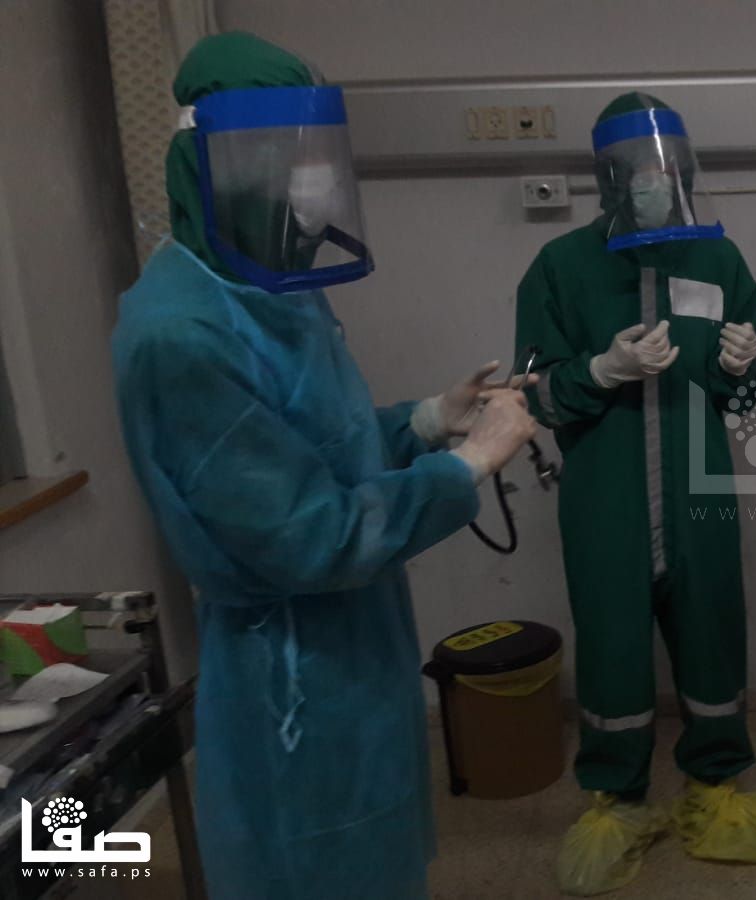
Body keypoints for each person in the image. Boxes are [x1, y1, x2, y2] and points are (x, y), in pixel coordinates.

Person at [111, 33, 538, 900]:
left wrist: (426, 421)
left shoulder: (263, 288)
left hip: (349, 645)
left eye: (316, 154)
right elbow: (311, 536)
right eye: (286, 154)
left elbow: (313, 451)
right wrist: (468, 466)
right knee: (315, 867)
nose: (311, 181)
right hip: (292, 678)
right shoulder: (185, 334)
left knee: (373, 855)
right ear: (212, 162)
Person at [515, 92, 756, 895]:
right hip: (605, 500)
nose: (653, 182)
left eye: (666, 168)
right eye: (636, 170)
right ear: (609, 177)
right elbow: (535, 397)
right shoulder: (561, 267)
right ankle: (617, 799)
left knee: (713, 626)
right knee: (611, 642)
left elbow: (744, 398)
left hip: (699, 493)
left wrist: (742, 366)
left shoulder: (717, 261)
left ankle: (716, 784)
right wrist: (598, 371)